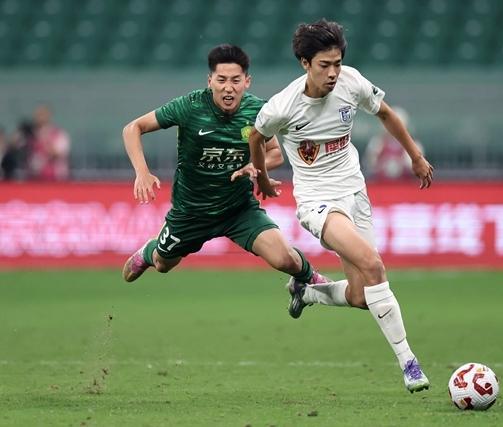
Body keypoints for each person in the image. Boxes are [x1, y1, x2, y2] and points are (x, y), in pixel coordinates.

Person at [248, 19, 434, 393]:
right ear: (305, 63)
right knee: (373, 264)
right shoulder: (283, 106)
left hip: (354, 192)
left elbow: (385, 114)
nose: (333, 73)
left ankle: (307, 292)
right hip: (317, 201)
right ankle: (409, 363)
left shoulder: (351, 82)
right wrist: (263, 178)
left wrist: (414, 156)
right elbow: (256, 136)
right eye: (324, 65)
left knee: (360, 295)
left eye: (337, 63)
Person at [121, 44, 328, 293]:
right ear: (210, 81)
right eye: (221, 80)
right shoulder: (189, 107)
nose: (228, 87)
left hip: (238, 209)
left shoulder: (258, 110)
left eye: (235, 80)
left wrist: (254, 166)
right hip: (191, 213)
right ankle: (149, 250)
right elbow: (132, 129)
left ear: (247, 82)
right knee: (163, 264)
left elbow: (275, 154)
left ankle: (308, 279)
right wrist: (142, 172)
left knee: (285, 259)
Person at [364, 106, 425, 180]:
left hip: (406, 184)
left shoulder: (414, 145)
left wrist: (401, 164)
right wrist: (382, 164)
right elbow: (369, 164)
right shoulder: (377, 142)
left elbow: (417, 168)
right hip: (381, 184)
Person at [28, 105, 70, 181]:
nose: (39, 118)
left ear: (48, 116)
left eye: (42, 114)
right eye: (37, 115)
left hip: (56, 178)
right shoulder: (31, 135)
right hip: (36, 178)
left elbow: (58, 153)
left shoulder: (59, 134)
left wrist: (45, 141)